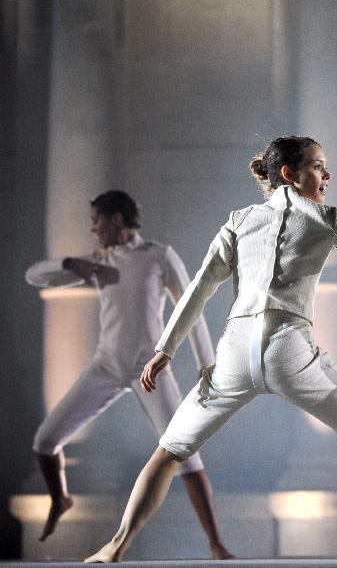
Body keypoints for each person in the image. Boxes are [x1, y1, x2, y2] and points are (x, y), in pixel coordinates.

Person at [85, 136, 337, 562]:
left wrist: (165, 348)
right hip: (290, 350)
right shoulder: (323, 218)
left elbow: (199, 287)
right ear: (290, 174)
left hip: (235, 353)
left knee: (170, 451)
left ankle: (114, 548)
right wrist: (335, 230)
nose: (327, 175)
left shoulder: (240, 220)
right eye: (318, 166)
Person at [25, 190, 232, 559]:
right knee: (45, 440)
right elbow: (35, 275)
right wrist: (72, 264)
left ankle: (216, 543)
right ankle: (61, 498)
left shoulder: (158, 255)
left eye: (96, 221)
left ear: (116, 220)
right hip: (105, 367)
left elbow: (191, 306)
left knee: (185, 452)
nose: (93, 228)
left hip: (147, 369)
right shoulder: (99, 260)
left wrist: (207, 363)